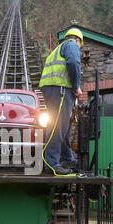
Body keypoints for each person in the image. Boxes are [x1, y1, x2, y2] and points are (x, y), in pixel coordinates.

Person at [39, 28, 84, 175]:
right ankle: (51, 164)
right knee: (58, 125)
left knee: (61, 125)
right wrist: (76, 86)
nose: (79, 48)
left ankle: (67, 158)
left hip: (52, 89)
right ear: (77, 40)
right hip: (61, 89)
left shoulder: (57, 49)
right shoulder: (71, 45)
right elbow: (73, 62)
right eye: (80, 45)